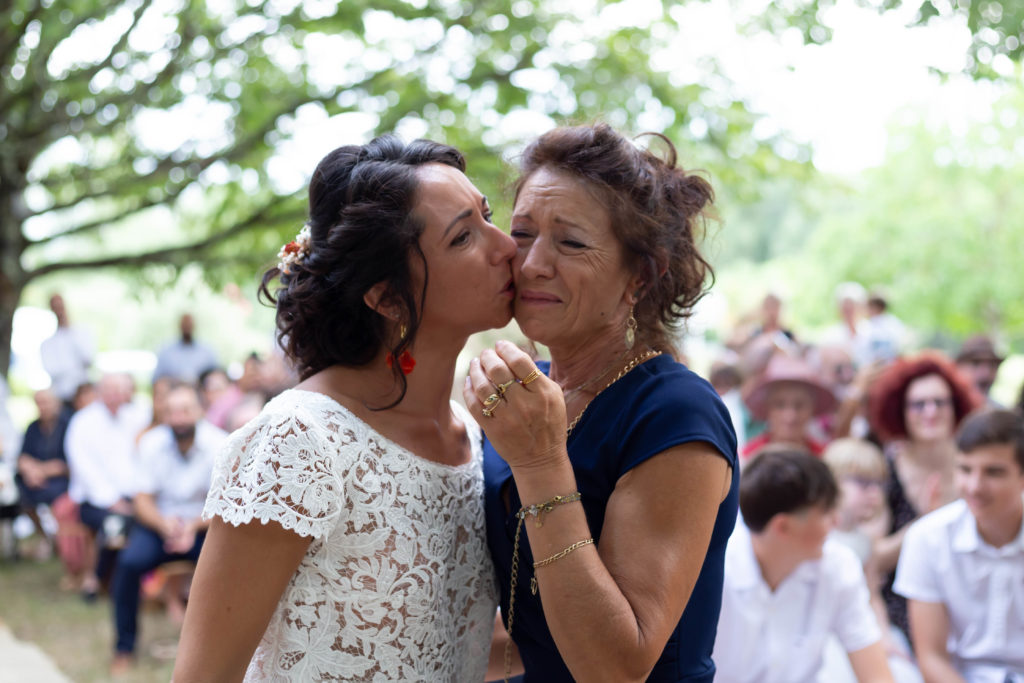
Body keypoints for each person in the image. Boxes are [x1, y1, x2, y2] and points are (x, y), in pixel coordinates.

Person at [174, 135, 515, 682]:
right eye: (463, 237)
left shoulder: (476, 437)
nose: (508, 247)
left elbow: (451, 646)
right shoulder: (301, 440)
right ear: (386, 297)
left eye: (489, 216)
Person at [463, 123, 738, 682]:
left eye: (571, 243)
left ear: (640, 276)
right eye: (521, 234)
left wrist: (541, 464)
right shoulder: (531, 392)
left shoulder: (675, 412)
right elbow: (522, 628)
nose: (533, 263)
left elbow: (616, 667)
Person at [713, 448, 893, 683]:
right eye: (826, 513)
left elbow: (876, 674)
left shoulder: (839, 565)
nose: (835, 522)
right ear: (783, 527)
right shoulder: (715, 573)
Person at [894, 409, 1024, 682]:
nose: (975, 486)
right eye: (965, 469)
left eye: (994, 472)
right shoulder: (927, 538)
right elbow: (931, 658)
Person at [110, 382, 226, 674]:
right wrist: (165, 526)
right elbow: (142, 500)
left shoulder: (221, 444)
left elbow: (228, 504)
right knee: (127, 564)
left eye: (185, 410)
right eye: (172, 412)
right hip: (160, 525)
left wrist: (192, 526)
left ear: (200, 410)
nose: (179, 419)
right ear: (163, 414)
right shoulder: (151, 443)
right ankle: (124, 647)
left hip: (204, 526)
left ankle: (219, 648)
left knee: (229, 567)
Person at [866, 351, 983, 640]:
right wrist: (926, 522)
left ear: (956, 407)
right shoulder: (884, 470)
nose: (930, 412)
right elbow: (873, 559)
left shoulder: (979, 468)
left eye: (940, 402)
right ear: (901, 412)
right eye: (918, 404)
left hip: (973, 607)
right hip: (904, 614)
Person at [65, 373, 150, 598]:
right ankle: (99, 579)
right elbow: (83, 469)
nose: (115, 395)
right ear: (100, 392)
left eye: (120, 390)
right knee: (116, 522)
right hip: (94, 500)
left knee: (137, 519)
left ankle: (104, 579)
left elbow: (143, 460)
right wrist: (113, 500)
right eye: (110, 390)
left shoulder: (137, 417)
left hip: (132, 496)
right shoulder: (82, 422)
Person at [741, 353, 838, 460]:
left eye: (799, 405)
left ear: (812, 408)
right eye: (780, 405)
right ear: (767, 408)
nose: (790, 416)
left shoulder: (825, 457)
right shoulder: (748, 458)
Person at [15, 389, 70, 547]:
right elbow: (23, 456)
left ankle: (62, 542)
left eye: (46, 402)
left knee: (57, 497)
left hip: (60, 480)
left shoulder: (67, 425)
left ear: (56, 403)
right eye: (39, 403)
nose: (43, 407)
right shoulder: (33, 427)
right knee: (22, 497)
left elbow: (66, 463)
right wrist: (31, 471)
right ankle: (46, 537)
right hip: (35, 479)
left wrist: (40, 471)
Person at [39, 293, 95, 409]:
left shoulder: (81, 333)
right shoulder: (48, 344)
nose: (59, 310)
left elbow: (88, 358)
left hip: (83, 396)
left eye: (61, 306)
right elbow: (52, 370)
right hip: (62, 398)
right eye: (56, 306)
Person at [153, 313, 219, 384]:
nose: (187, 327)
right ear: (180, 326)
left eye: (189, 324)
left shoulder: (207, 351)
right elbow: (156, 379)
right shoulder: (166, 351)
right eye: (185, 324)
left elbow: (217, 377)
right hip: (174, 392)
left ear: (194, 326)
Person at [954, 334, 1005, 406]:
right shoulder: (943, 409)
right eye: (976, 363)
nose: (986, 373)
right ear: (959, 367)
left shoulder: (1000, 412)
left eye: (992, 365)